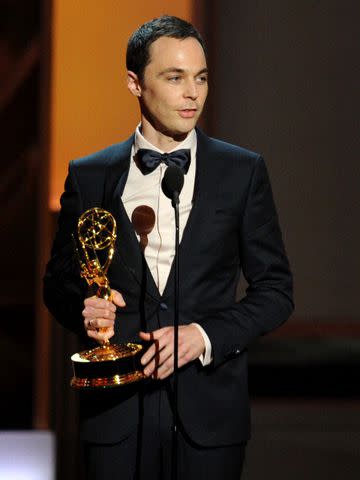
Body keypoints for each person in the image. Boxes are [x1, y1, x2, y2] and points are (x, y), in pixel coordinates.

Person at [44, 15, 293, 480]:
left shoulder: (242, 172)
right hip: (115, 414)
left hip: (210, 416)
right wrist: (85, 306)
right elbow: (58, 282)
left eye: (200, 78)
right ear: (135, 83)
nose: (192, 93)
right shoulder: (90, 174)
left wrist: (205, 336)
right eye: (175, 77)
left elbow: (276, 291)